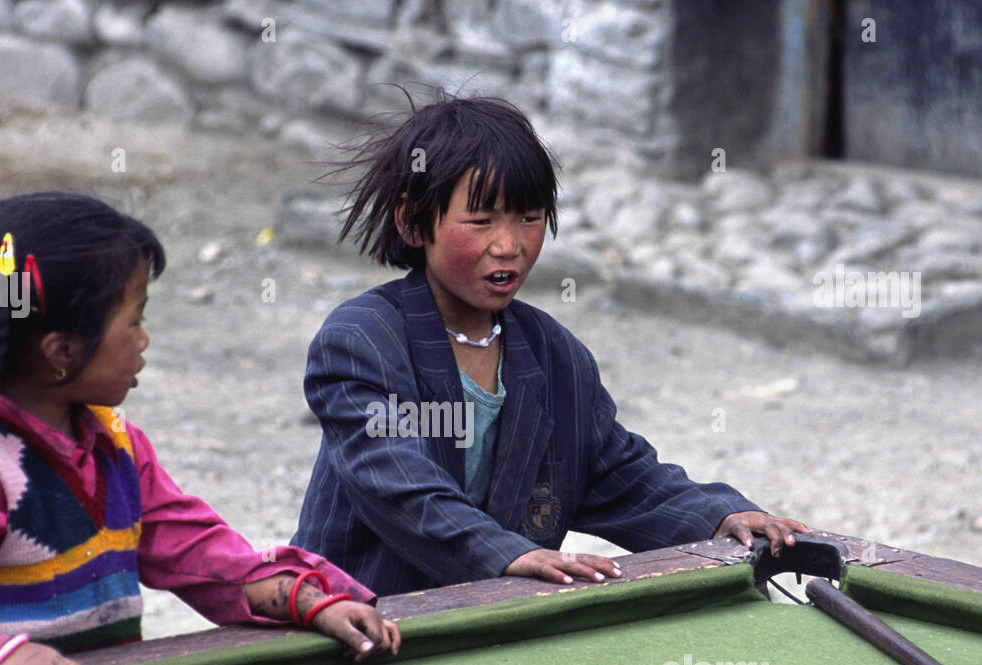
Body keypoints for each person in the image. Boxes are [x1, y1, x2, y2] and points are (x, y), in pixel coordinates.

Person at [0, 192, 398, 665]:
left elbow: (202, 557)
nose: (145, 339)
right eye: (136, 320)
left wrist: (308, 602)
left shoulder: (118, 447)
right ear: (61, 351)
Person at [293, 91, 808, 596]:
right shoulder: (361, 341)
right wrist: (507, 554)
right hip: (356, 618)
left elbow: (618, 475)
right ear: (411, 220)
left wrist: (717, 516)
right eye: (480, 220)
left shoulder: (555, 355)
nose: (508, 245)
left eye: (529, 217)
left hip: (492, 626)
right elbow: (397, 485)